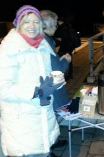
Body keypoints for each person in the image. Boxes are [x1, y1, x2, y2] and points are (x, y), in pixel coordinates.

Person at [0, 5, 64, 157]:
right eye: (27, 22)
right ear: (18, 23)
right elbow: (1, 88)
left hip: (44, 118)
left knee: (43, 151)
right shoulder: (8, 49)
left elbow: (44, 79)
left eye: (36, 22)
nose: (32, 26)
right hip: (22, 125)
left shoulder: (43, 47)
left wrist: (54, 83)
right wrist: (37, 91)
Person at [41, 10, 72, 154]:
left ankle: (53, 142)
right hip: (48, 88)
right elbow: (57, 70)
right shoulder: (45, 42)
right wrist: (66, 60)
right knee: (49, 117)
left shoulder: (42, 39)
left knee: (49, 117)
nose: (56, 28)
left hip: (45, 87)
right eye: (54, 25)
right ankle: (48, 149)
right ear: (46, 25)